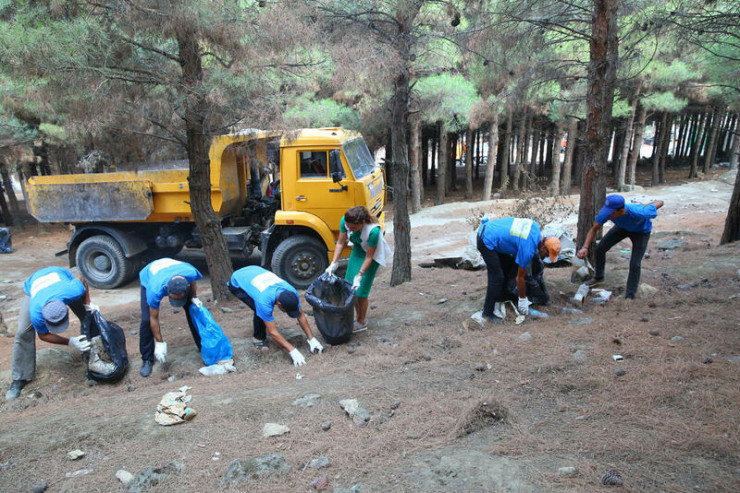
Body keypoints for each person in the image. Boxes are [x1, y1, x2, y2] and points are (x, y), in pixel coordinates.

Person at [5, 266, 99, 400]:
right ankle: (20, 378)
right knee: (22, 332)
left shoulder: (72, 290)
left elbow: (81, 279)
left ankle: (97, 356)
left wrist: (88, 303)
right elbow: (43, 335)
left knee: (89, 315)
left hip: (59, 278)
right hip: (35, 285)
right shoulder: (36, 312)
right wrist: (70, 341)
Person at [228, 265, 323, 366]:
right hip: (237, 281)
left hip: (255, 271)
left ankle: (266, 322)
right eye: (287, 311)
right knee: (259, 310)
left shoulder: (291, 292)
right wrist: (292, 350)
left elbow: (301, 316)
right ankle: (258, 338)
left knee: (264, 311)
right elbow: (272, 332)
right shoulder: (264, 301)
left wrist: (312, 339)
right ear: (279, 304)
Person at [577, 194, 664, 299]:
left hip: (641, 232)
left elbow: (660, 202)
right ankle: (598, 277)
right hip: (621, 228)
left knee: (635, 264)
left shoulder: (640, 212)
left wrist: (648, 205)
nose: (607, 215)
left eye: (610, 212)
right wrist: (585, 247)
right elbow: (594, 229)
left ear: (621, 211)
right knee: (600, 249)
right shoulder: (606, 213)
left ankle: (630, 296)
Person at [476, 217, 561, 323]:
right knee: (497, 277)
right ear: (544, 249)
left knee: (507, 265)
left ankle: (502, 297)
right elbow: (520, 278)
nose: (546, 257)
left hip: (491, 230)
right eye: (548, 255)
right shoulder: (528, 250)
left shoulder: (535, 227)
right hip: (486, 239)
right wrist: (522, 299)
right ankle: (487, 313)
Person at [325, 206, 392, 333]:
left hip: (371, 256)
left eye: (353, 228)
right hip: (357, 251)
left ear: (362, 223)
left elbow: (369, 256)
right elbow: (340, 243)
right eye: (348, 227)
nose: (350, 229)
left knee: (361, 291)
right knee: (351, 288)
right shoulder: (345, 222)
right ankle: (357, 318)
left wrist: (360, 275)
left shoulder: (373, 231)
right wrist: (334, 263)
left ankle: (362, 321)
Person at [138, 258, 203, 377]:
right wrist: (159, 342)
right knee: (147, 320)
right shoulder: (155, 289)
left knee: (192, 309)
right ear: (167, 289)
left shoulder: (190, 273)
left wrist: (193, 296)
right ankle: (147, 359)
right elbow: (154, 318)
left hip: (176, 269)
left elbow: (193, 281)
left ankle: (202, 345)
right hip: (150, 274)